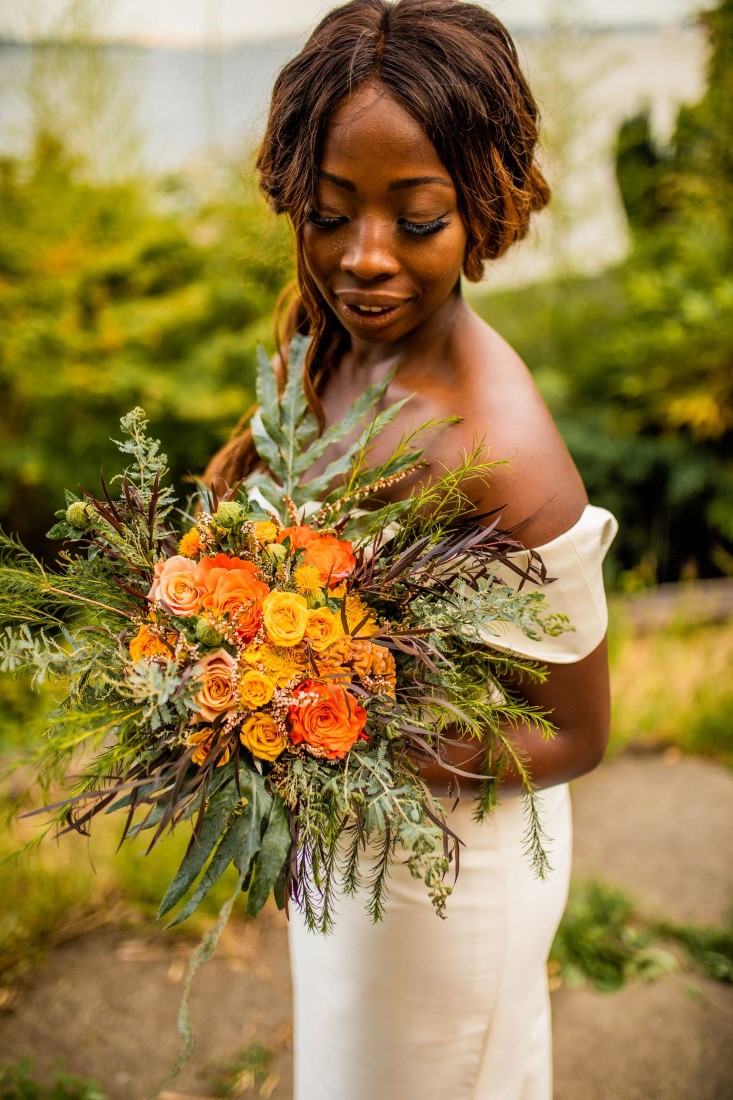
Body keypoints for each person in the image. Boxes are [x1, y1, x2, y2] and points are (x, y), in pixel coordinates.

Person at [206, 2, 617, 1097]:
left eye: (417, 219)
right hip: (342, 838)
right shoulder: (330, 348)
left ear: (482, 209)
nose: (365, 259)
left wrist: (343, 738)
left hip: (442, 877)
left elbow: (574, 727)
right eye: (330, 214)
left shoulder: (503, 457)